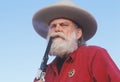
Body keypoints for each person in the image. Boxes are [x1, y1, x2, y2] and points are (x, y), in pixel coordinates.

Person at [32, 1, 120, 82]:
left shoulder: (94, 54)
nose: (57, 29)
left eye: (64, 25)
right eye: (53, 26)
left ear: (78, 33)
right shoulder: (45, 73)